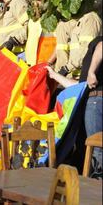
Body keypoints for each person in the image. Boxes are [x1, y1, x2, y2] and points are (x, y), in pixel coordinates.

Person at [46, 36, 102, 179]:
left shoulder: (98, 42)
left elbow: (102, 45)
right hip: (92, 100)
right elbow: (79, 87)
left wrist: (91, 72)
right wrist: (55, 76)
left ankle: (96, 187)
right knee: (91, 148)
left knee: (95, 147)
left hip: (96, 101)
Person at [48, 11, 101, 78]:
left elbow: (85, 51)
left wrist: (65, 69)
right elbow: (61, 49)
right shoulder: (65, 22)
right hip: (64, 78)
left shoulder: (90, 20)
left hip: (80, 78)